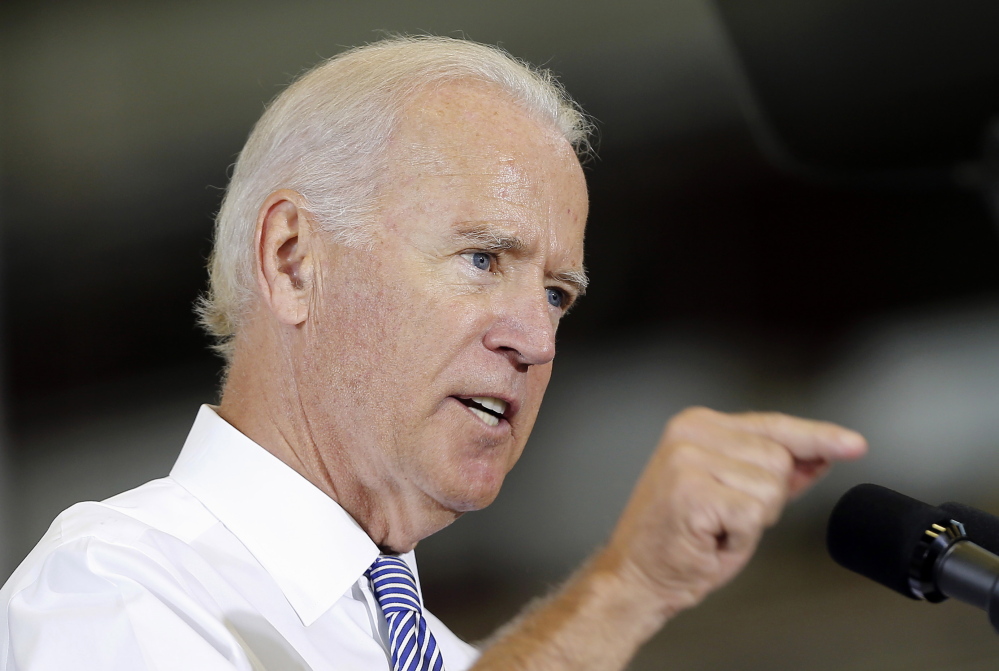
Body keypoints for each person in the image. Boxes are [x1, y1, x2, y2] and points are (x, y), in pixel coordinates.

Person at [0, 36, 866, 670]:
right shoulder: (116, 590)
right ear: (294, 260)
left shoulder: (454, 658)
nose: (533, 339)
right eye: (483, 259)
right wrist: (623, 588)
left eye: (558, 294)